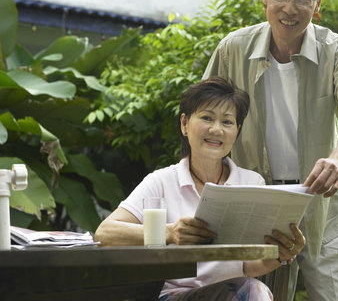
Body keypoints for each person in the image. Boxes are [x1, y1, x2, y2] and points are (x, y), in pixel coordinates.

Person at [203, 0, 338, 301]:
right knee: (254, 294)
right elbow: (201, 123)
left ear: (317, 3)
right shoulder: (232, 48)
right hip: (253, 205)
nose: (290, 7)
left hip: (321, 203)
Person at [94, 76, 306, 301]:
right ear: (184, 124)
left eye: (227, 122)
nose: (217, 130)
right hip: (172, 295)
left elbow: (249, 266)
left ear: (237, 130)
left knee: (254, 290)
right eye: (207, 118)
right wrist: (169, 232)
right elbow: (105, 233)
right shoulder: (161, 181)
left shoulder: (252, 183)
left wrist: (280, 255)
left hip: (231, 293)